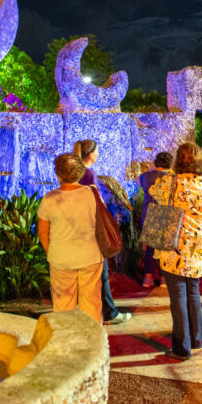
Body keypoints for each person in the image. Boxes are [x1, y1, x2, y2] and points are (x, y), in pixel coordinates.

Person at [149, 143, 202, 361]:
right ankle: (195, 338)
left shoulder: (170, 182)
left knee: (177, 295)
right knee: (193, 291)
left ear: (178, 160)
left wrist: (172, 170)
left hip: (175, 246)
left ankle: (181, 347)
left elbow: (153, 191)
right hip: (197, 246)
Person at [37, 154, 103, 323]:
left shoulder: (49, 199)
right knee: (91, 304)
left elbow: (43, 232)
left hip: (61, 258)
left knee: (63, 306)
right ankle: (93, 344)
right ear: (80, 172)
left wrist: (51, 252)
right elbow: (101, 222)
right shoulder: (92, 194)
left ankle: (66, 342)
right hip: (90, 256)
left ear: (58, 174)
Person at [74, 139, 132, 325]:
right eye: (97, 151)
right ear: (90, 155)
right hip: (92, 227)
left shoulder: (75, 172)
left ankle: (88, 310)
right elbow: (96, 202)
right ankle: (109, 313)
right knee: (102, 271)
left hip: (78, 226)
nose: (98, 155)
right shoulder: (89, 173)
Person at [138, 151, 173, 288]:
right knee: (166, 248)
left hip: (149, 214)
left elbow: (139, 184)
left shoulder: (144, 177)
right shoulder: (173, 178)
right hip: (167, 214)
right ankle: (164, 278)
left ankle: (148, 278)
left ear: (155, 162)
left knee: (150, 249)